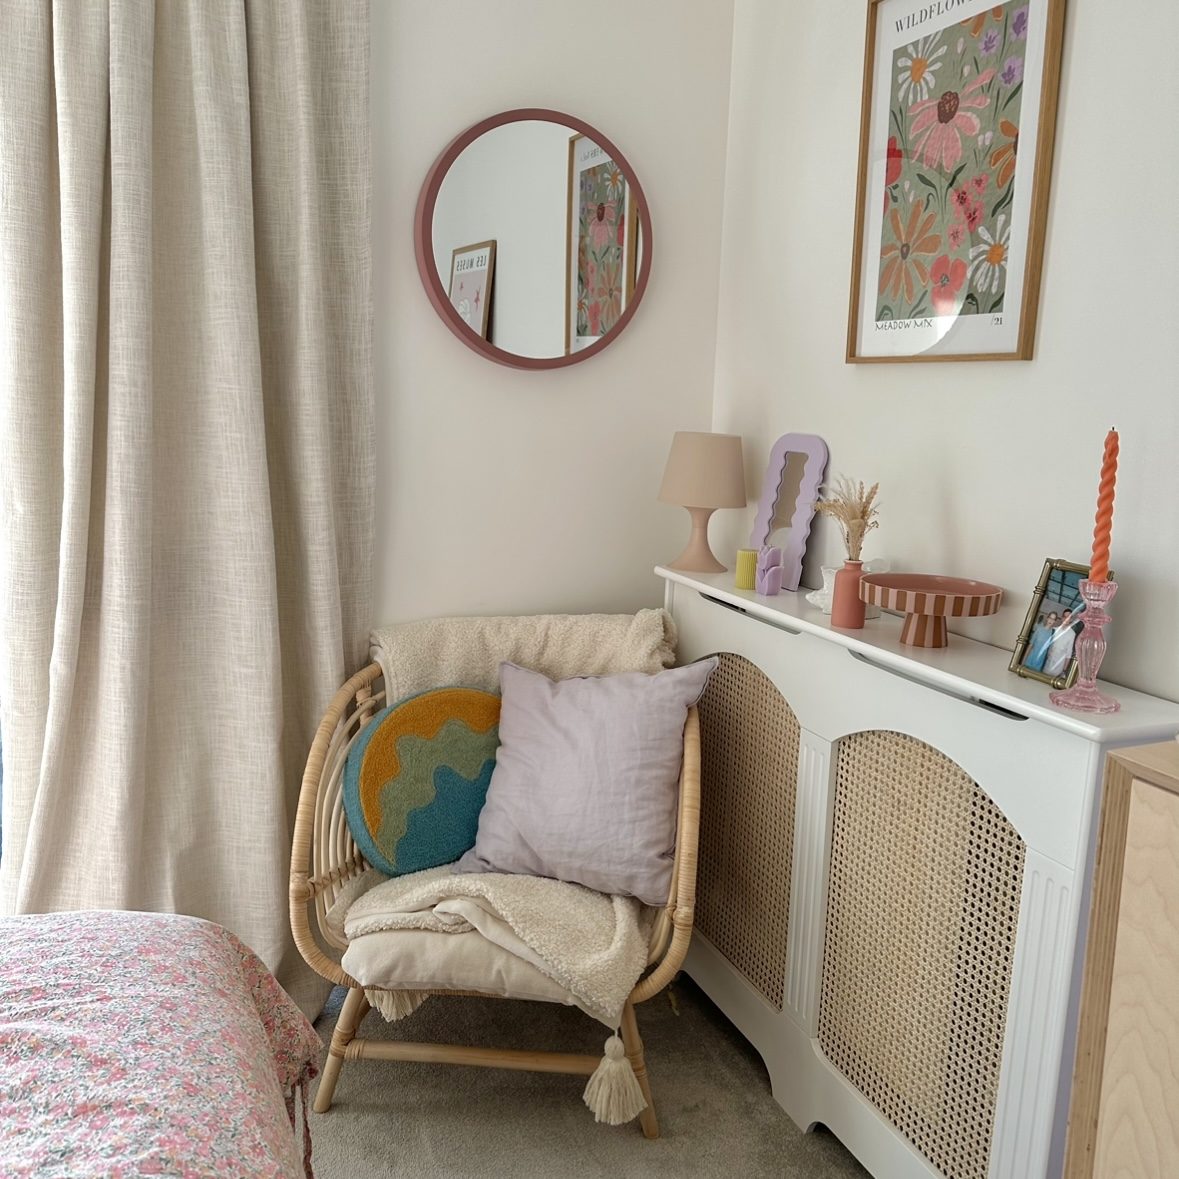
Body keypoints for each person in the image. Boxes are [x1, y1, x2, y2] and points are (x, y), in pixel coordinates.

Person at [1043, 609, 1080, 677]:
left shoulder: (1072, 634)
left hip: (1058, 669)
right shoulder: (1054, 629)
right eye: (1065, 617)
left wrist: (1064, 671)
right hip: (1047, 665)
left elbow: (1068, 654)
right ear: (1062, 618)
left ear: (1071, 619)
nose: (1066, 619)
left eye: (1068, 617)